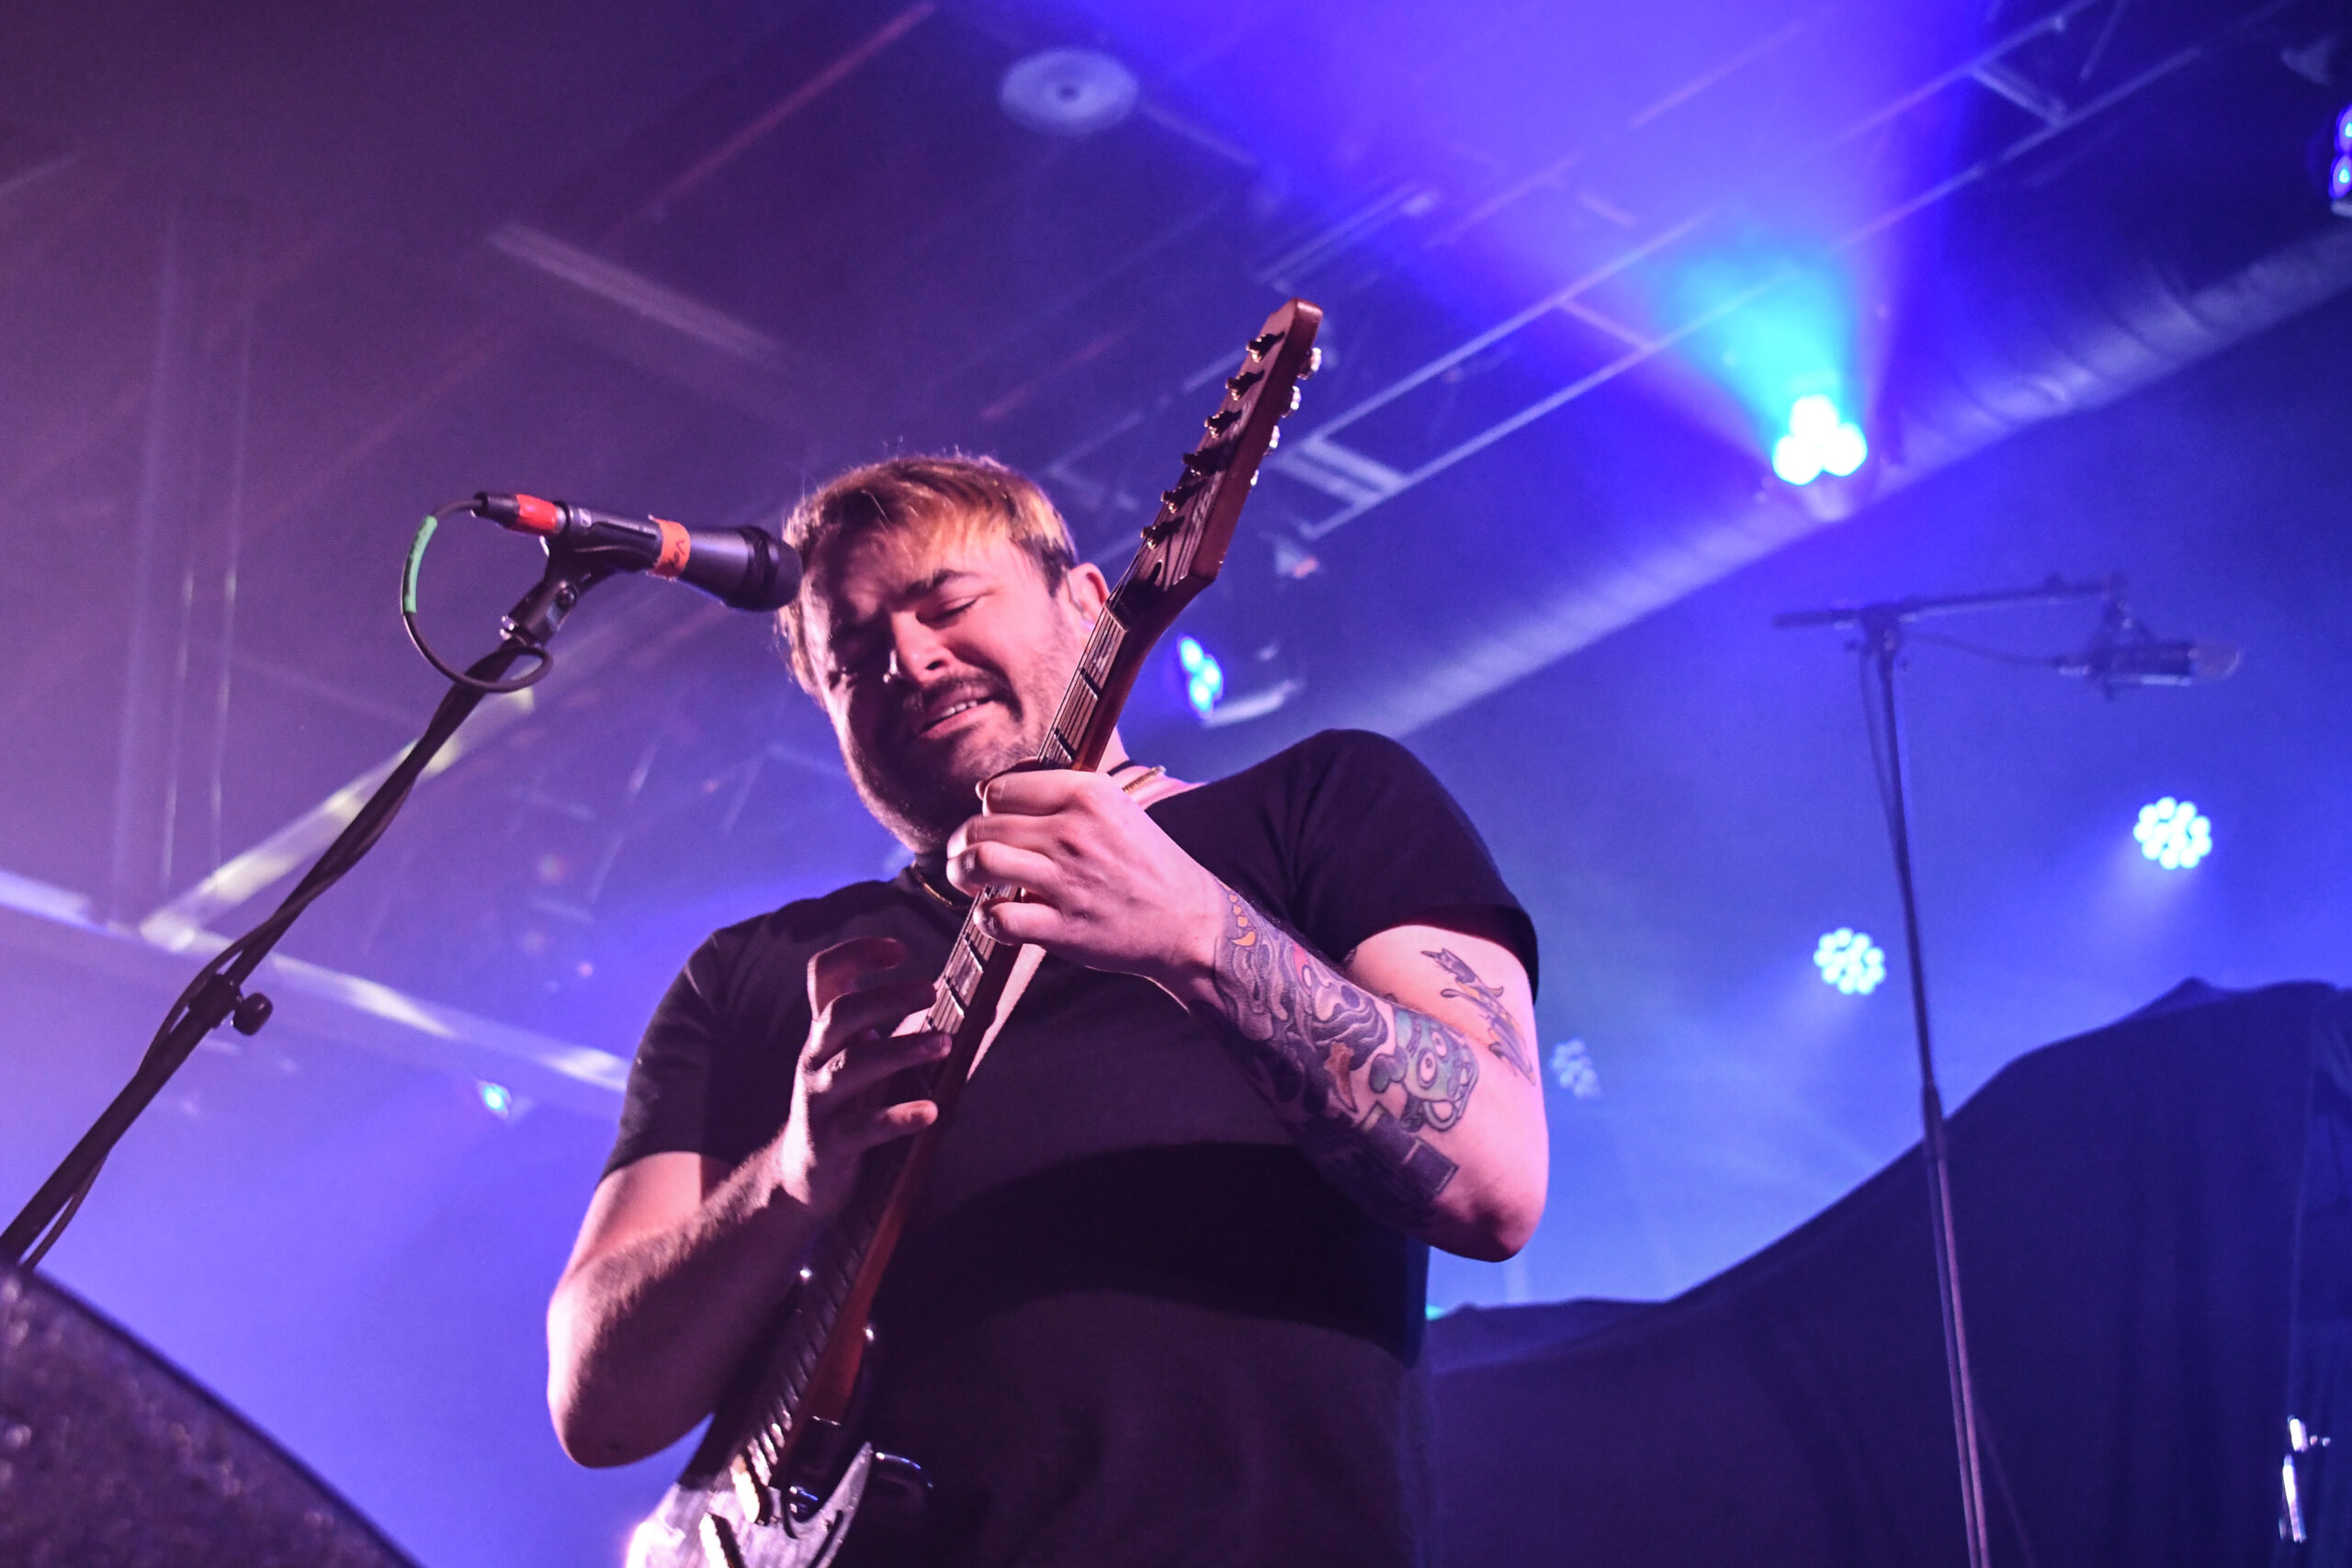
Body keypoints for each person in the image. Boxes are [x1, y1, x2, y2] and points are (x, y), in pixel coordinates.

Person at [547, 454, 1548, 1567]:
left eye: (947, 605)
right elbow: (599, 1407)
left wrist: (1195, 931)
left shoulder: (1321, 806)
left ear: (1088, 605)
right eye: (853, 659)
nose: (910, 659)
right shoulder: (757, 971)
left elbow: (1496, 1184)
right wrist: (790, 1173)